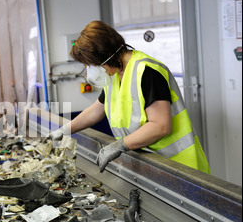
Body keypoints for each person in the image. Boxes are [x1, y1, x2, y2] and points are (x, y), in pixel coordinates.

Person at [51, 21, 210, 174]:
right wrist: (65, 129)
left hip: (179, 166)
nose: (91, 70)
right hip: (153, 165)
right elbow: (96, 110)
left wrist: (119, 145)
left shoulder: (147, 71)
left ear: (106, 56)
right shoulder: (113, 74)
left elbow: (160, 125)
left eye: (93, 64)